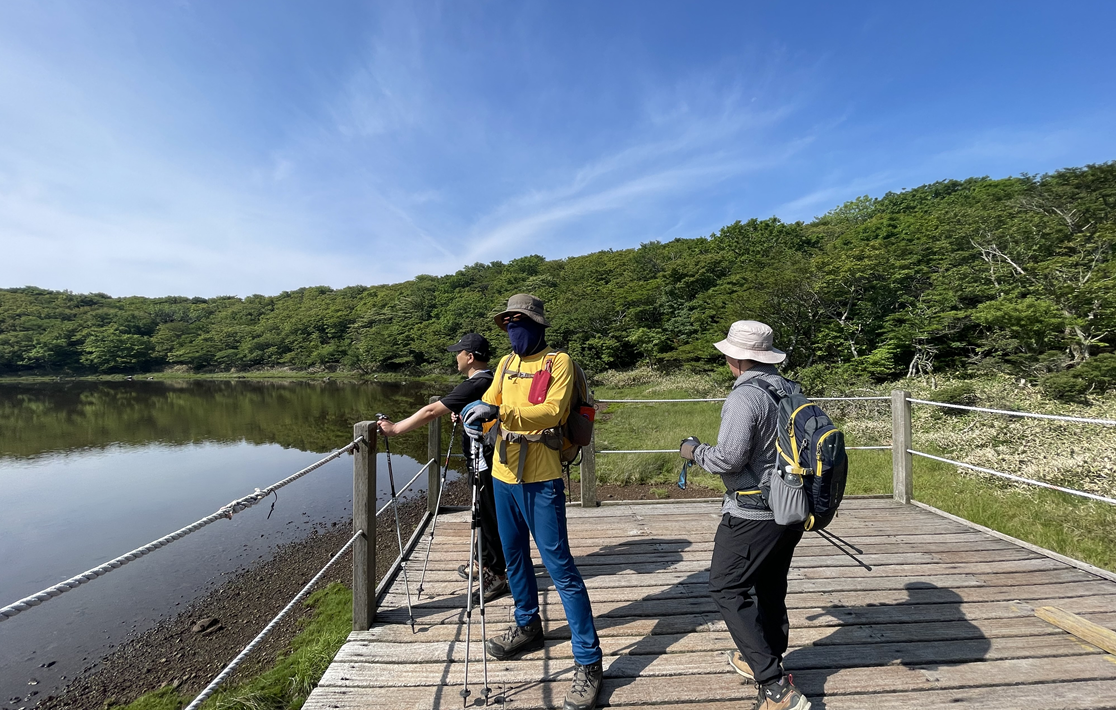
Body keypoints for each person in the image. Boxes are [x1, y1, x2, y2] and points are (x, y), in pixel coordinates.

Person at [462, 293, 604, 710]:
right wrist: (475, 415)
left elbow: (553, 411)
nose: (513, 329)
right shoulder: (506, 364)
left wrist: (498, 413)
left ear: (538, 325)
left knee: (560, 567)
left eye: (519, 321)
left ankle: (589, 660)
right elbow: (491, 402)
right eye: (508, 323)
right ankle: (527, 624)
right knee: (513, 557)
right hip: (503, 474)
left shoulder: (558, 363)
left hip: (542, 478)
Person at [678, 320, 812, 710]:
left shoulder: (745, 397)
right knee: (770, 586)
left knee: (726, 587)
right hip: (791, 506)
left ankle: (775, 687)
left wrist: (693, 451)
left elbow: (728, 459)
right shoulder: (790, 388)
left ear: (736, 358)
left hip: (752, 513)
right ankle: (767, 658)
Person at [377, 332, 509, 603]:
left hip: (484, 460)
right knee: (482, 510)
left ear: (469, 357)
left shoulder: (477, 382)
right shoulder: (488, 379)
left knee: (487, 514)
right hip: (486, 457)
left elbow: (431, 411)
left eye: (458, 353)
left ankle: (496, 574)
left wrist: (395, 429)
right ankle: (482, 561)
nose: (455, 358)